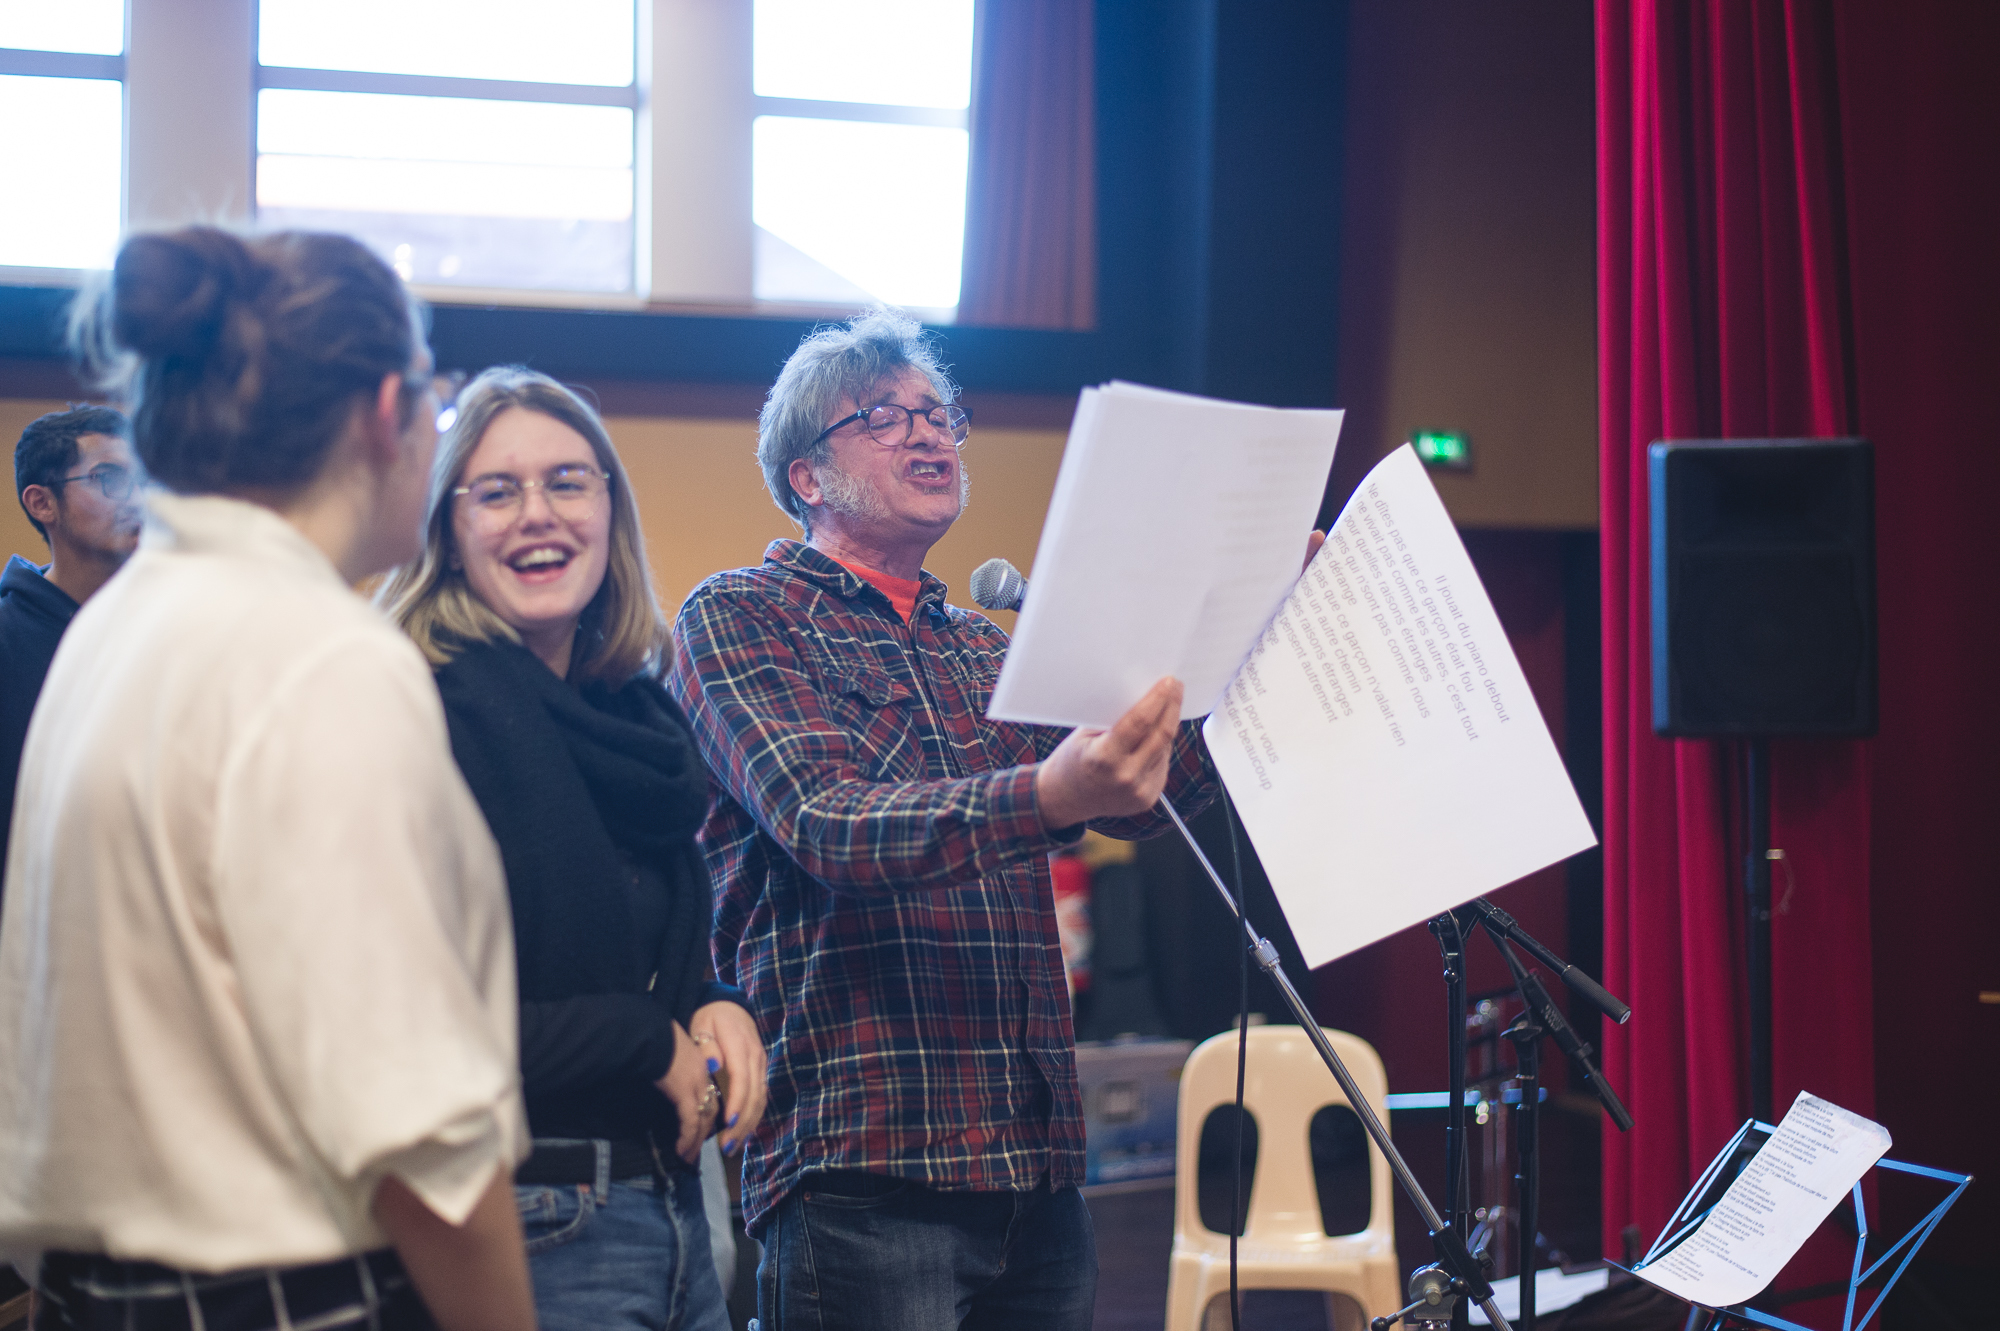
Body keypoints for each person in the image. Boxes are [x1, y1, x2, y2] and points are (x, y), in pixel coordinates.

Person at [0, 227, 535, 1331]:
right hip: (288, 1290)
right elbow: (416, 1130)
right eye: (437, 402)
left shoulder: (117, 625)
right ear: (386, 410)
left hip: (108, 1289)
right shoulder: (315, 653)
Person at [667, 309, 1226, 1331]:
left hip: (1038, 1169)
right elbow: (828, 822)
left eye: (940, 414)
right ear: (806, 475)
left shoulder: (984, 643)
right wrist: (1050, 794)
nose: (930, 433)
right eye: (885, 416)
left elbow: (1158, 801)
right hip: (867, 1162)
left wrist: (1242, 645)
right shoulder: (741, 614)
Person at [379, 366, 767, 1331]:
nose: (537, 513)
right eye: (496, 491)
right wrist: (642, 1039)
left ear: (609, 510)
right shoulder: (414, 710)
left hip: (673, 1213)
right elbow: (401, 1026)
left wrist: (710, 999)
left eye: (566, 481)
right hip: (522, 1217)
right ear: (446, 530)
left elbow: (626, 947)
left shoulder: (635, 715)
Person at [0, 406, 141, 883]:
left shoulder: (163, 630)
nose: (138, 499)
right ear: (42, 504)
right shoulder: (8, 637)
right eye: (111, 479)